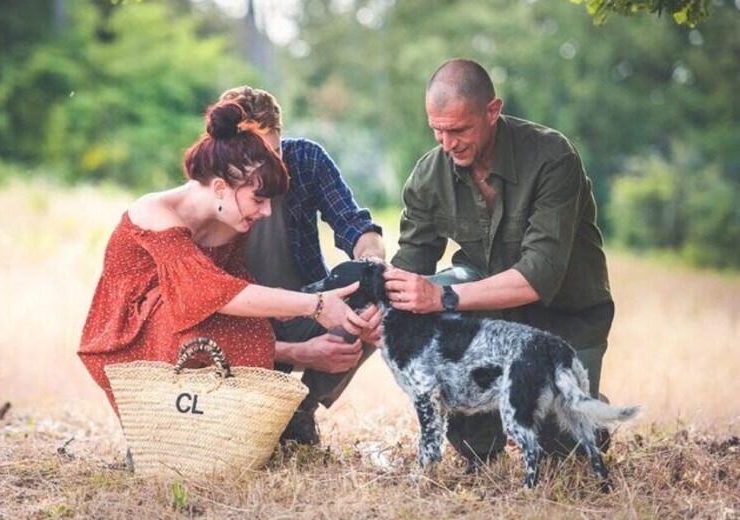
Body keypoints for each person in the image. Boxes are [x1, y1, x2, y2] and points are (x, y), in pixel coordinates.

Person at [385, 58, 614, 467]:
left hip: (563, 315)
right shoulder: (428, 175)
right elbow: (409, 268)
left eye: (458, 129)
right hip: (485, 320)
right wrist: (378, 309)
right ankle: (478, 435)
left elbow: (540, 274)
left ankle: (590, 412)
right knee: (474, 451)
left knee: (563, 450)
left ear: (493, 111)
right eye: (436, 129)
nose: (446, 143)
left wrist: (444, 298)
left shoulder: (553, 156)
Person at [78, 100, 374, 415]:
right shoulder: (155, 213)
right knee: (190, 322)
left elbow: (237, 310)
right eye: (259, 199)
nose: (266, 211)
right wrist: (313, 311)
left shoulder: (231, 223)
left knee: (259, 324)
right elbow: (203, 297)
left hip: (196, 336)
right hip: (131, 340)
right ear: (220, 187)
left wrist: (344, 307)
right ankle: (161, 424)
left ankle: (292, 417)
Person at [218, 86, 386, 446]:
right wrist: (295, 353)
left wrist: (374, 269)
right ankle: (263, 412)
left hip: (311, 309)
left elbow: (354, 224)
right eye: (256, 157)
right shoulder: (211, 190)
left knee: (374, 290)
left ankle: (300, 411)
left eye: (275, 153)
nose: (270, 170)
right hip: (243, 326)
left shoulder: (306, 160)